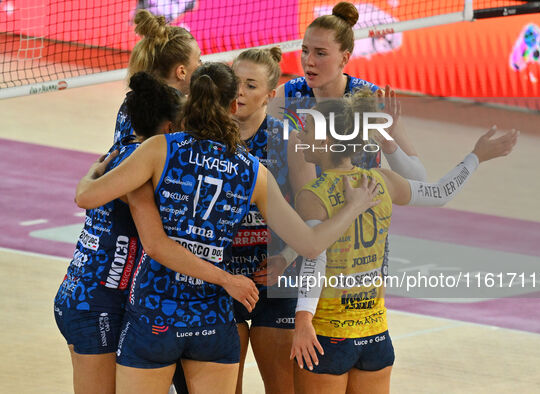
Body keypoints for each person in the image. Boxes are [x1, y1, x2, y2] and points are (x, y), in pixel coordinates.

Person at [75, 62, 382, 394]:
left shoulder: (160, 149)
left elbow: (87, 197)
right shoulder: (251, 168)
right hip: (213, 315)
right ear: (233, 105)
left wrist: (95, 172)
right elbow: (310, 244)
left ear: (189, 99)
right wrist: (353, 206)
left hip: (156, 311)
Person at [288, 92, 519, 394]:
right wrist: (476, 156)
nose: (300, 133)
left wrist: (303, 320)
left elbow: (314, 258)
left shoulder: (312, 195)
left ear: (327, 142)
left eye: (307, 129)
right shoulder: (382, 180)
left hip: (329, 336)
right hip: (376, 338)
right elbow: (441, 193)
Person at [273, 1, 426, 194]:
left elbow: (419, 180)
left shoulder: (370, 99)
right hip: (302, 213)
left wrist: (388, 143)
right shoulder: (285, 95)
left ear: (344, 58)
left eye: (320, 53)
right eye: (305, 51)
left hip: (359, 212)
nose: (308, 61)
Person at [227, 47, 300, 394]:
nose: (238, 92)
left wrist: (285, 258)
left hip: (276, 276)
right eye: (235, 82)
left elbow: (310, 215)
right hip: (223, 278)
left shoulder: (286, 141)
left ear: (270, 95)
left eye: (251, 85)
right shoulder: (207, 136)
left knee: (283, 387)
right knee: (226, 387)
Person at [113, 9, 201, 144]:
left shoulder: (131, 101)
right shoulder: (179, 112)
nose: (202, 65)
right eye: (199, 59)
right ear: (181, 72)